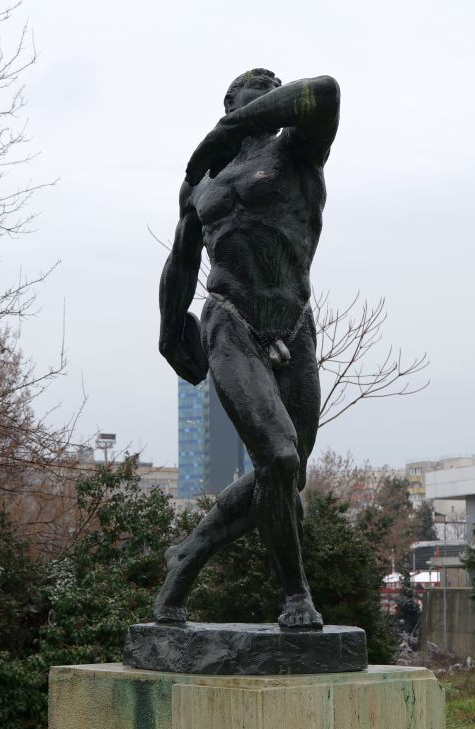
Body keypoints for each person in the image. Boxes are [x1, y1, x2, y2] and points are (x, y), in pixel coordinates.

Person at [155, 68, 340, 629]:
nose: (266, 92)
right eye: (252, 89)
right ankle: (296, 595)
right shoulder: (202, 182)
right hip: (229, 319)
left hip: (292, 321)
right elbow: (182, 258)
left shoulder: (297, 152)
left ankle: (187, 555)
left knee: (287, 472)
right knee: (278, 457)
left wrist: (224, 130)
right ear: (229, 99)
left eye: (272, 90)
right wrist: (169, 328)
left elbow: (325, 91)